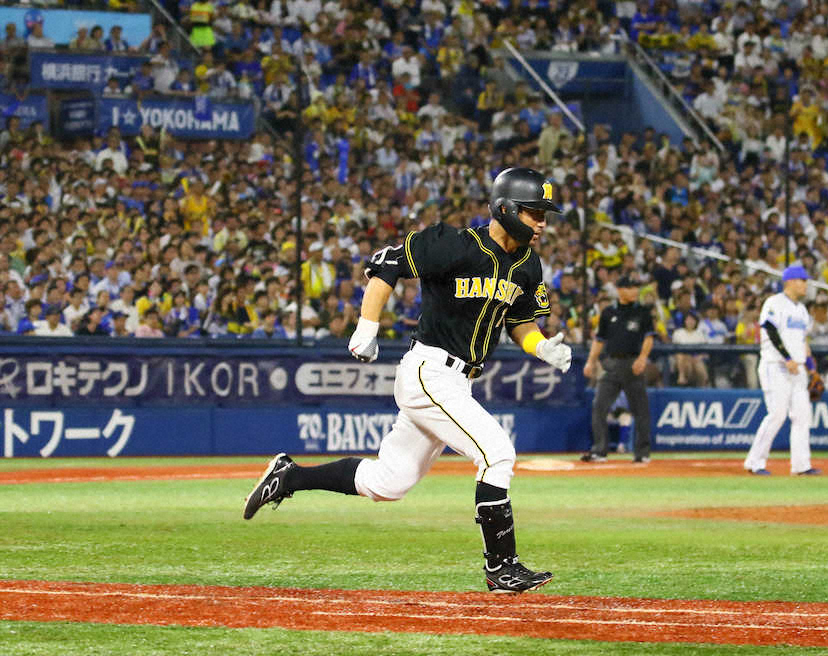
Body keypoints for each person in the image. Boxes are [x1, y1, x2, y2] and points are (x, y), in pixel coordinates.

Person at [244, 168, 571, 594]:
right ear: (506, 208)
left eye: (543, 214)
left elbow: (520, 321)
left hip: (458, 381)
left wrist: (540, 346)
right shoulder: (455, 244)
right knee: (498, 454)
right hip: (430, 371)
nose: (542, 222)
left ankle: (290, 477)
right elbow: (387, 264)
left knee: (389, 483)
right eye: (534, 212)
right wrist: (367, 326)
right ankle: (501, 567)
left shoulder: (527, 263)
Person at [743, 266, 821, 476]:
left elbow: (803, 341)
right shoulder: (774, 302)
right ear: (790, 281)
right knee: (777, 415)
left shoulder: (802, 310)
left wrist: (812, 368)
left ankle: (801, 465)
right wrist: (786, 357)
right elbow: (769, 329)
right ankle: (754, 462)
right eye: (802, 280)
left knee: (802, 416)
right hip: (775, 365)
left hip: (798, 369)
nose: (805, 284)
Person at [580, 273, 654, 463]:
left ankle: (642, 453)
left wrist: (642, 358)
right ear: (620, 290)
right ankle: (599, 451)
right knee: (599, 406)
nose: (635, 291)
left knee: (641, 410)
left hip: (632, 363)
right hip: (611, 364)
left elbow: (649, 338)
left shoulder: (643, 312)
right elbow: (599, 340)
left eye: (636, 287)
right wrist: (590, 361)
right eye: (630, 287)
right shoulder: (608, 312)